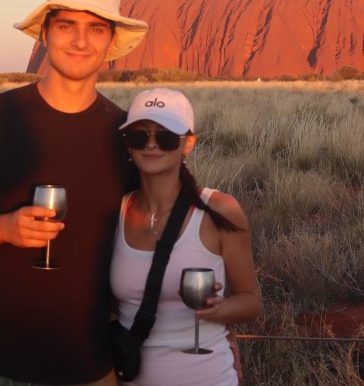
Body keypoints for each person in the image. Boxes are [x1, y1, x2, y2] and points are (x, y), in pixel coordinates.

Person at [0, 0, 149, 385]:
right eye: (66, 25)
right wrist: (2, 228)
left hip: (86, 364)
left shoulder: (127, 137)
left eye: (95, 29)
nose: (80, 41)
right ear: (45, 34)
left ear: (111, 43)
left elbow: (158, 245)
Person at [110, 88, 261, 386]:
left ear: (188, 143)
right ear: (128, 144)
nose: (151, 144)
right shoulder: (116, 211)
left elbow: (251, 302)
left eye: (166, 137)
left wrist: (220, 309)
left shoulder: (219, 210)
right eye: (140, 136)